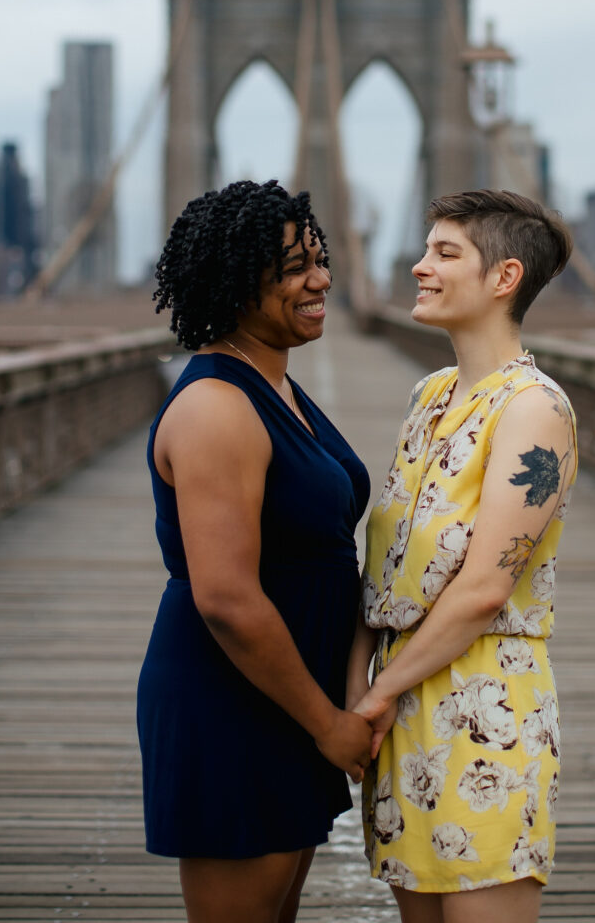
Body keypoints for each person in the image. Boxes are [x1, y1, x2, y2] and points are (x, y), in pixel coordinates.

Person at [136, 179, 372, 923]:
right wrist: (329, 722)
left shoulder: (277, 386)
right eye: (296, 267)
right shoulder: (215, 407)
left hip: (288, 697)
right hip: (236, 702)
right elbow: (228, 600)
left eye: (320, 258)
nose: (322, 279)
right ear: (237, 282)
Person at [347, 189, 578, 923]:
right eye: (425, 249)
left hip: (488, 716)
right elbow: (380, 573)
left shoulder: (534, 409)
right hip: (404, 715)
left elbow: (483, 588)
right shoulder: (431, 395)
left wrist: (373, 699)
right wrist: (361, 695)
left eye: (445, 253)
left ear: (504, 278)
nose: (420, 267)